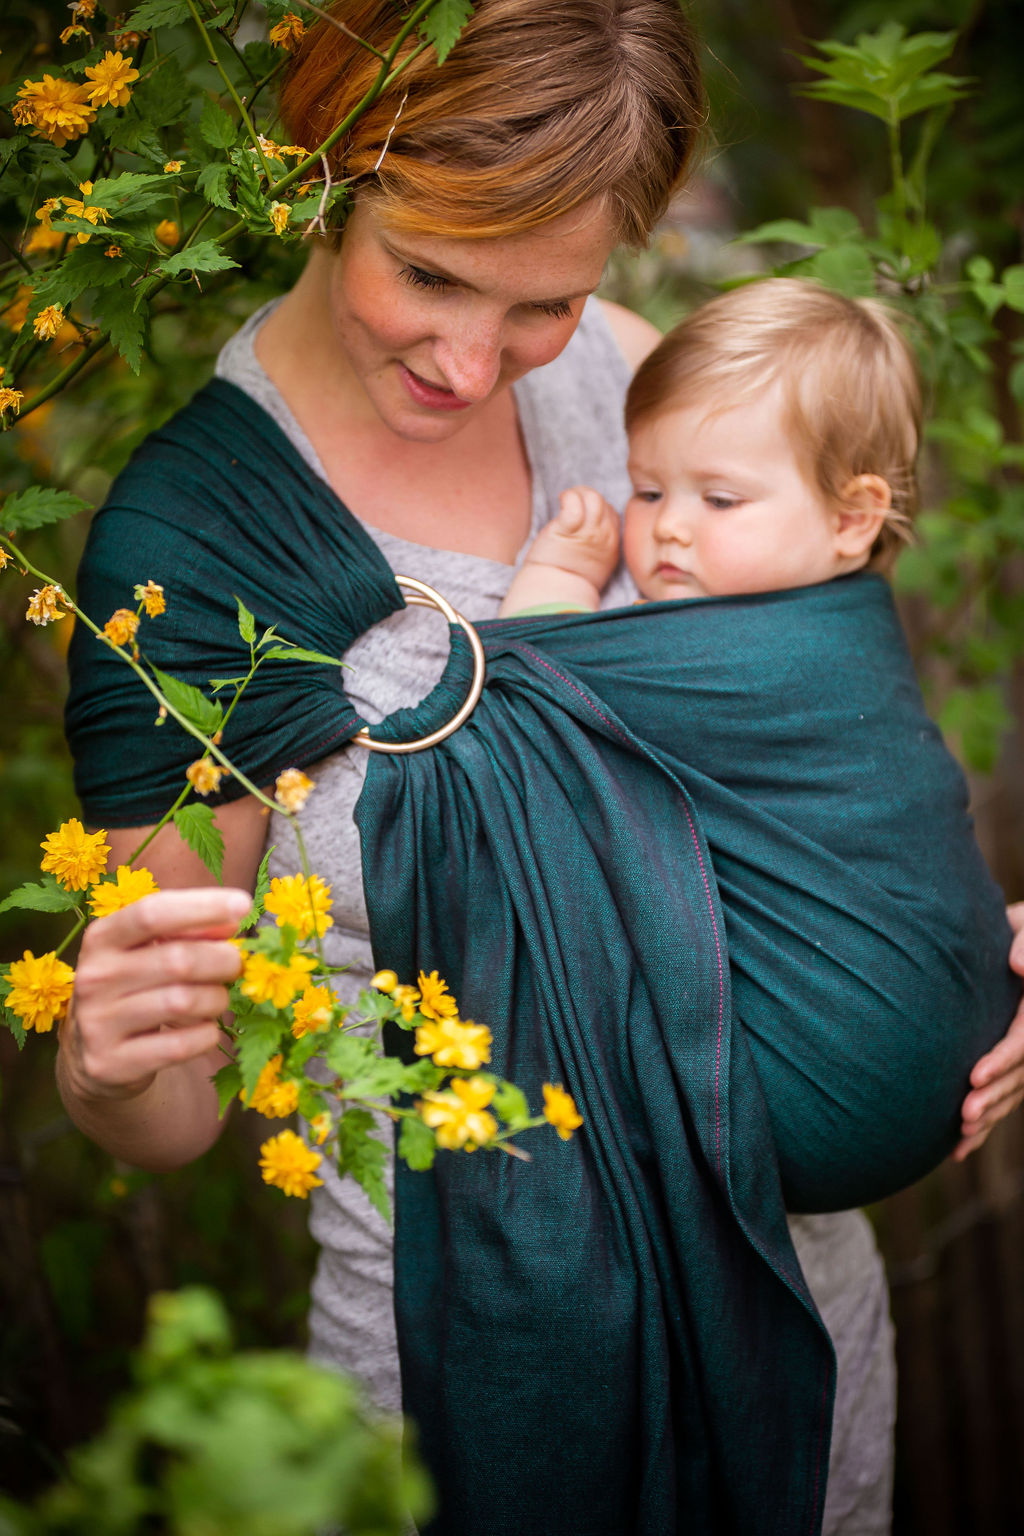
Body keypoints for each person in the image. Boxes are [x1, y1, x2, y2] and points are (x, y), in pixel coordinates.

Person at [56, 3, 1024, 1533]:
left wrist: (941, 945)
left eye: (542, 302)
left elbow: (817, 731)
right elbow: (174, 1111)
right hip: (472, 1367)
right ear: (326, 173)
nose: (468, 359)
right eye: (429, 271)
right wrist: (109, 1065)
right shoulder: (191, 561)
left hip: (797, 1327)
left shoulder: (638, 397)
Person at [499, 279, 920, 619]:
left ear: (850, 519)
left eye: (720, 500)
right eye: (648, 493)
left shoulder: (739, 642)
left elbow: (555, 671)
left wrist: (558, 576)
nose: (668, 526)